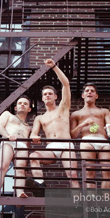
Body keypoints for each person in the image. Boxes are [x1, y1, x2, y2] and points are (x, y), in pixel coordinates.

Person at [26, 59, 80, 197]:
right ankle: (40, 184)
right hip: (51, 148)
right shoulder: (40, 118)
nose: (47, 96)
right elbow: (33, 133)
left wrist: (54, 67)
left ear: (55, 96)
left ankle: (78, 203)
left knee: (73, 175)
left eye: (50, 93)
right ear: (42, 99)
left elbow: (66, 84)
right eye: (45, 94)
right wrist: (34, 137)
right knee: (33, 156)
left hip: (66, 146)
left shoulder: (63, 108)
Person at [70, 83, 110, 189]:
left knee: (108, 174)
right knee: (89, 173)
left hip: (103, 141)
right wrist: (83, 124)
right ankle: (90, 203)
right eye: (87, 91)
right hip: (87, 141)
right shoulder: (76, 114)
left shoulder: (104, 111)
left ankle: (106, 204)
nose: (89, 92)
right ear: (83, 95)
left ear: (96, 96)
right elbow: (73, 136)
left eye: (92, 91)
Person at [0, 95, 32, 198]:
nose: (22, 104)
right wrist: (8, 136)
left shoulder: (28, 126)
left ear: (29, 109)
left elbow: (28, 142)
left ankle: (20, 193)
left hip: (22, 145)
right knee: (3, 166)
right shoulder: (7, 114)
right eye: (20, 103)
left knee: (21, 170)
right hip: (8, 141)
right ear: (15, 107)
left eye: (25, 104)